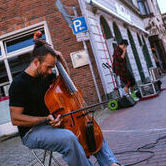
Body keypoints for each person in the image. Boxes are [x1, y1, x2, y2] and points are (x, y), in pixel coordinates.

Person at [9, 32, 122, 166]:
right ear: (36, 62)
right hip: (33, 132)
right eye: (49, 67)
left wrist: (61, 58)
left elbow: (66, 81)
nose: (51, 71)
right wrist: (45, 119)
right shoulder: (18, 84)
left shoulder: (45, 76)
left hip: (54, 123)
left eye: (53, 67)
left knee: (89, 126)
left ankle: (111, 163)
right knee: (68, 138)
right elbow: (15, 119)